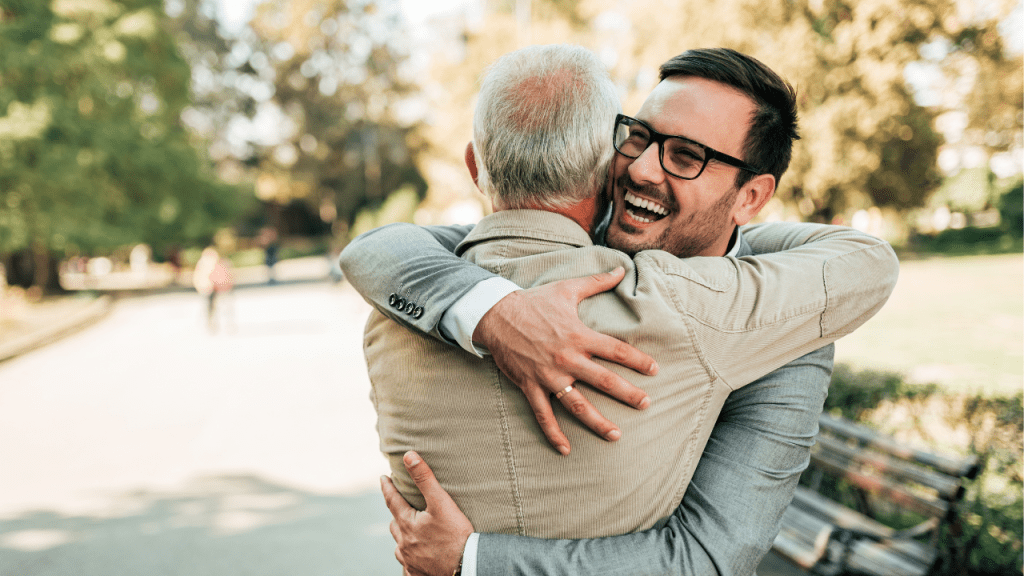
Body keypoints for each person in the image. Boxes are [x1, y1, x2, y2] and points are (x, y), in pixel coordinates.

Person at [345, 46, 899, 576]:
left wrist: (471, 562)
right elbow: (384, 249)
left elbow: (710, 556)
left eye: (686, 156)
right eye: (638, 137)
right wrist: (494, 312)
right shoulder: (572, 248)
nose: (641, 169)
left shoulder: (786, 325)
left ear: (750, 197)